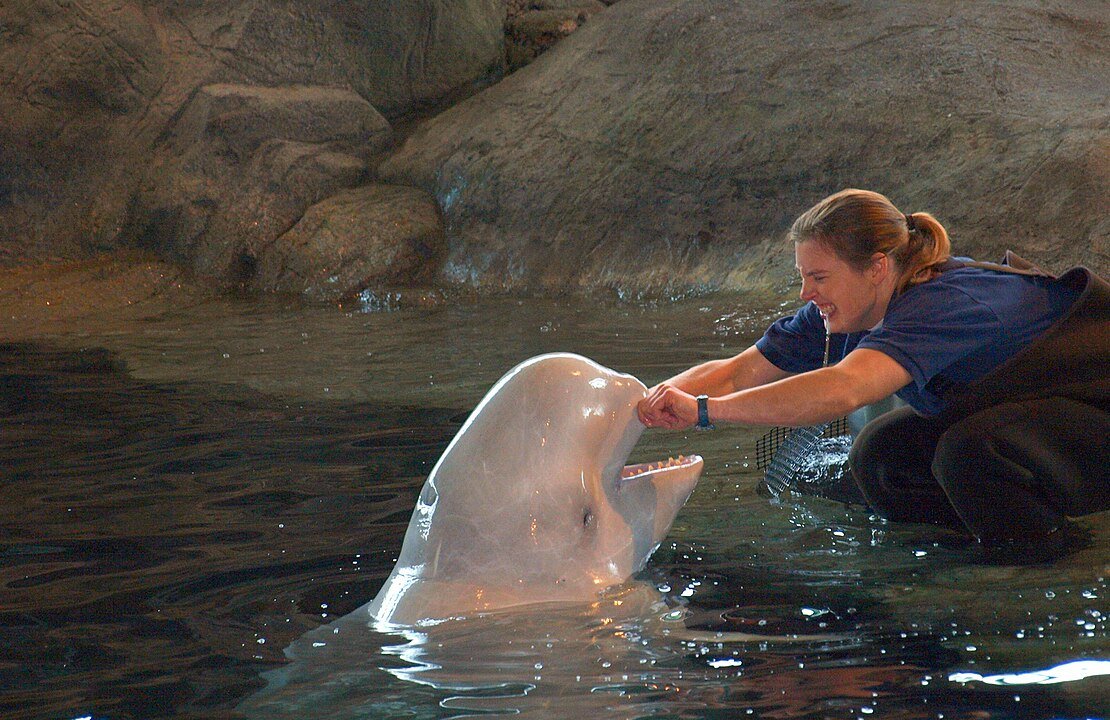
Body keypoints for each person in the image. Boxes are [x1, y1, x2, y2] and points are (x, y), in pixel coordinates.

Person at [637, 188, 1109, 542]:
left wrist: (703, 411)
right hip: (1049, 414)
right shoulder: (841, 308)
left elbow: (845, 388)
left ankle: (1050, 559)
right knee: (883, 452)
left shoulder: (945, 301)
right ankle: (966, 550)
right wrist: (638, 406)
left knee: (971, 451)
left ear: (878, 267)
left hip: (1096, 414)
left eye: (819, 277)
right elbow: (738, 373)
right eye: (804, 278)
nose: (807, 293)